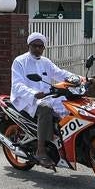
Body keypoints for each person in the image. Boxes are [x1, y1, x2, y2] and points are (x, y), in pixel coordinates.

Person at [10, 32, 84, 169]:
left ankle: (63, 142)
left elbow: (60, 73)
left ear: (44, 47)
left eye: (40, 46)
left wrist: (79, 79)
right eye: (35, 46)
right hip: (26, 99)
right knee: (46, 109)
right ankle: (41, 150)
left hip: (47, 96)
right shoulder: (19, 61)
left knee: (68, 105)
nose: (38, 49)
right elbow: (17, 85)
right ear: (29, 45)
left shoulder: (45, 62)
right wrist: (33, 93)